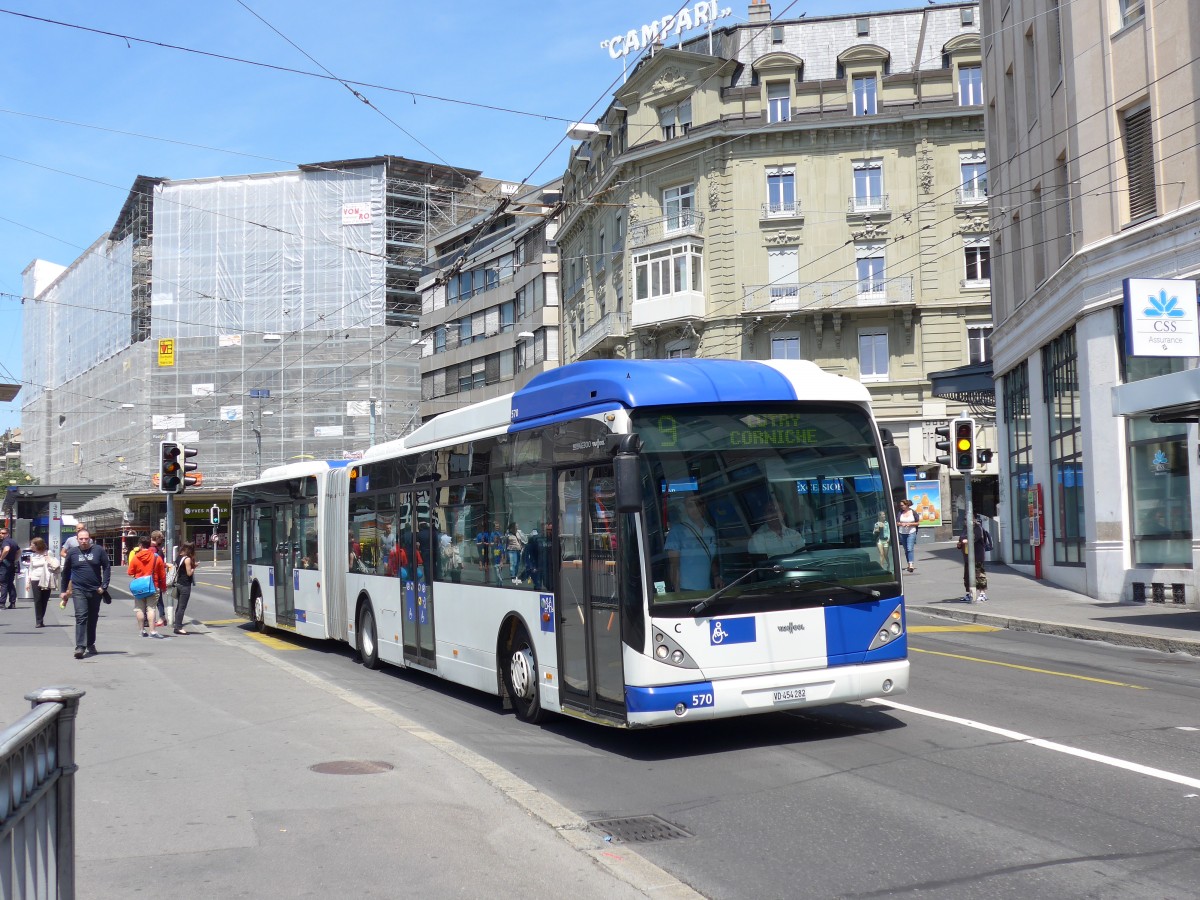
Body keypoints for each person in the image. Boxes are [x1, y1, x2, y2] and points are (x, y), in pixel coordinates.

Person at [60, 528, 112, 659]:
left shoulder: (98, 550)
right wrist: (63, 591)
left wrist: (104, 586)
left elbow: (106, 567)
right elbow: (66, 572)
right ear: (77, 540)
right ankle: (80, 646)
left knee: (92, 618)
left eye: (86, 538)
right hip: (78, 589)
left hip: (95, 590)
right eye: (81, 539)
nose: (84, 541)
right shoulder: (72, 552)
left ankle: (90, 643)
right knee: (81, 616)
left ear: (90, 539)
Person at [664, 495, 722, 592]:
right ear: (686, 509)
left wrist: (716, 576)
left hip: (707, 590)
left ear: (703, 506)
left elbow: (711, 559)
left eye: (698, 504)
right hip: (686, 590)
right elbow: (674, 565)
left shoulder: (711, 531)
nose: (695, 508)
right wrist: (678, 594)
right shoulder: (677, 531)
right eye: (690, 505)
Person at [128, 536, 168, 638]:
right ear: (149, 545)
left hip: (139, 587)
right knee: (151, 609)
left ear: (140, 545)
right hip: (153, 585)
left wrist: (139, 574)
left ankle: (142, 630)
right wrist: (163, 587)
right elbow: (162, 575)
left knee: (139, 609)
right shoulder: (156, 557)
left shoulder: (136, 557)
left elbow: (130, 572)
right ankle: (153, 631)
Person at [27, 537, 60, 627]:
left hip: (46, 579)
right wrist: (28, 581)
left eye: (32, 544)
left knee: (44, 600)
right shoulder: (32, 555)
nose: (30, 546)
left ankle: (41, 618)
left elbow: (54, 564)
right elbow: (30, 568)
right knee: (37, 600)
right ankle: (38, 620)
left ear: (38, 545)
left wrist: (47, 558)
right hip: (35, 578)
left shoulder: (48, 553)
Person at [956, 515, 989, 603]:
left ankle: (982, 594)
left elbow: (975, 538)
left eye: (969, 519)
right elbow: (961, 539)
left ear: (974, 520)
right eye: (965, 519)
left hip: (977, 555)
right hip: (967, 557)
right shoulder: (965, 529)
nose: (966, 521)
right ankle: (970, 593)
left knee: (979, 574)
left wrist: (967, 540)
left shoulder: (978, 528)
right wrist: (959, 544)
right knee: (967, 576)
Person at [173, 542, 197, 635]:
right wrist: (194, 567)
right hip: (185, 585)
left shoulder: (179, 557)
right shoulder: (187, 559)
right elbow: (189, 573)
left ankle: (177, 625)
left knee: (179, 606)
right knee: (182, 607)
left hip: (178, 584)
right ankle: (178, 627)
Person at [150, 530, 168, 627]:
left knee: (156, 599)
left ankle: (161, 618)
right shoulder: (156, 550)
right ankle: (162, 618)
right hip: (155, 578)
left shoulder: (151, 548)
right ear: (157, 538)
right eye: (161, 538)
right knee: (157, 599)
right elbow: (159, 565)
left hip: (151, 577)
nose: (162, 540)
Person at [897, 499, 919, 574]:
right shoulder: (900, 513)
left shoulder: (913, 512)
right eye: (901, 505)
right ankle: (909, 564)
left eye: (902, 505)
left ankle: (911, 564)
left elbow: (917, 523)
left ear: (907, 505)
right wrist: (901, 524)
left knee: (910, 548)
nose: (901, 506)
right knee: (906, 549)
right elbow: (897, 522)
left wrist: (910, 524)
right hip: (902, 532)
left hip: (911, 532)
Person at [0, 526, 20, 608]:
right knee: (10, 583)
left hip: (5, 565)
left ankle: (2, 603)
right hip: (11, 564)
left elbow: (7, 549)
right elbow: (19, 551)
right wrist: (15, 559)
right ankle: (12, 603)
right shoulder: (13, 542)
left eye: (3, 533)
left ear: (7, 534)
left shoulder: (6, 542)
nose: (1, 535)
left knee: (4, 584)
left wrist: (1, 558)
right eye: (0, 533)